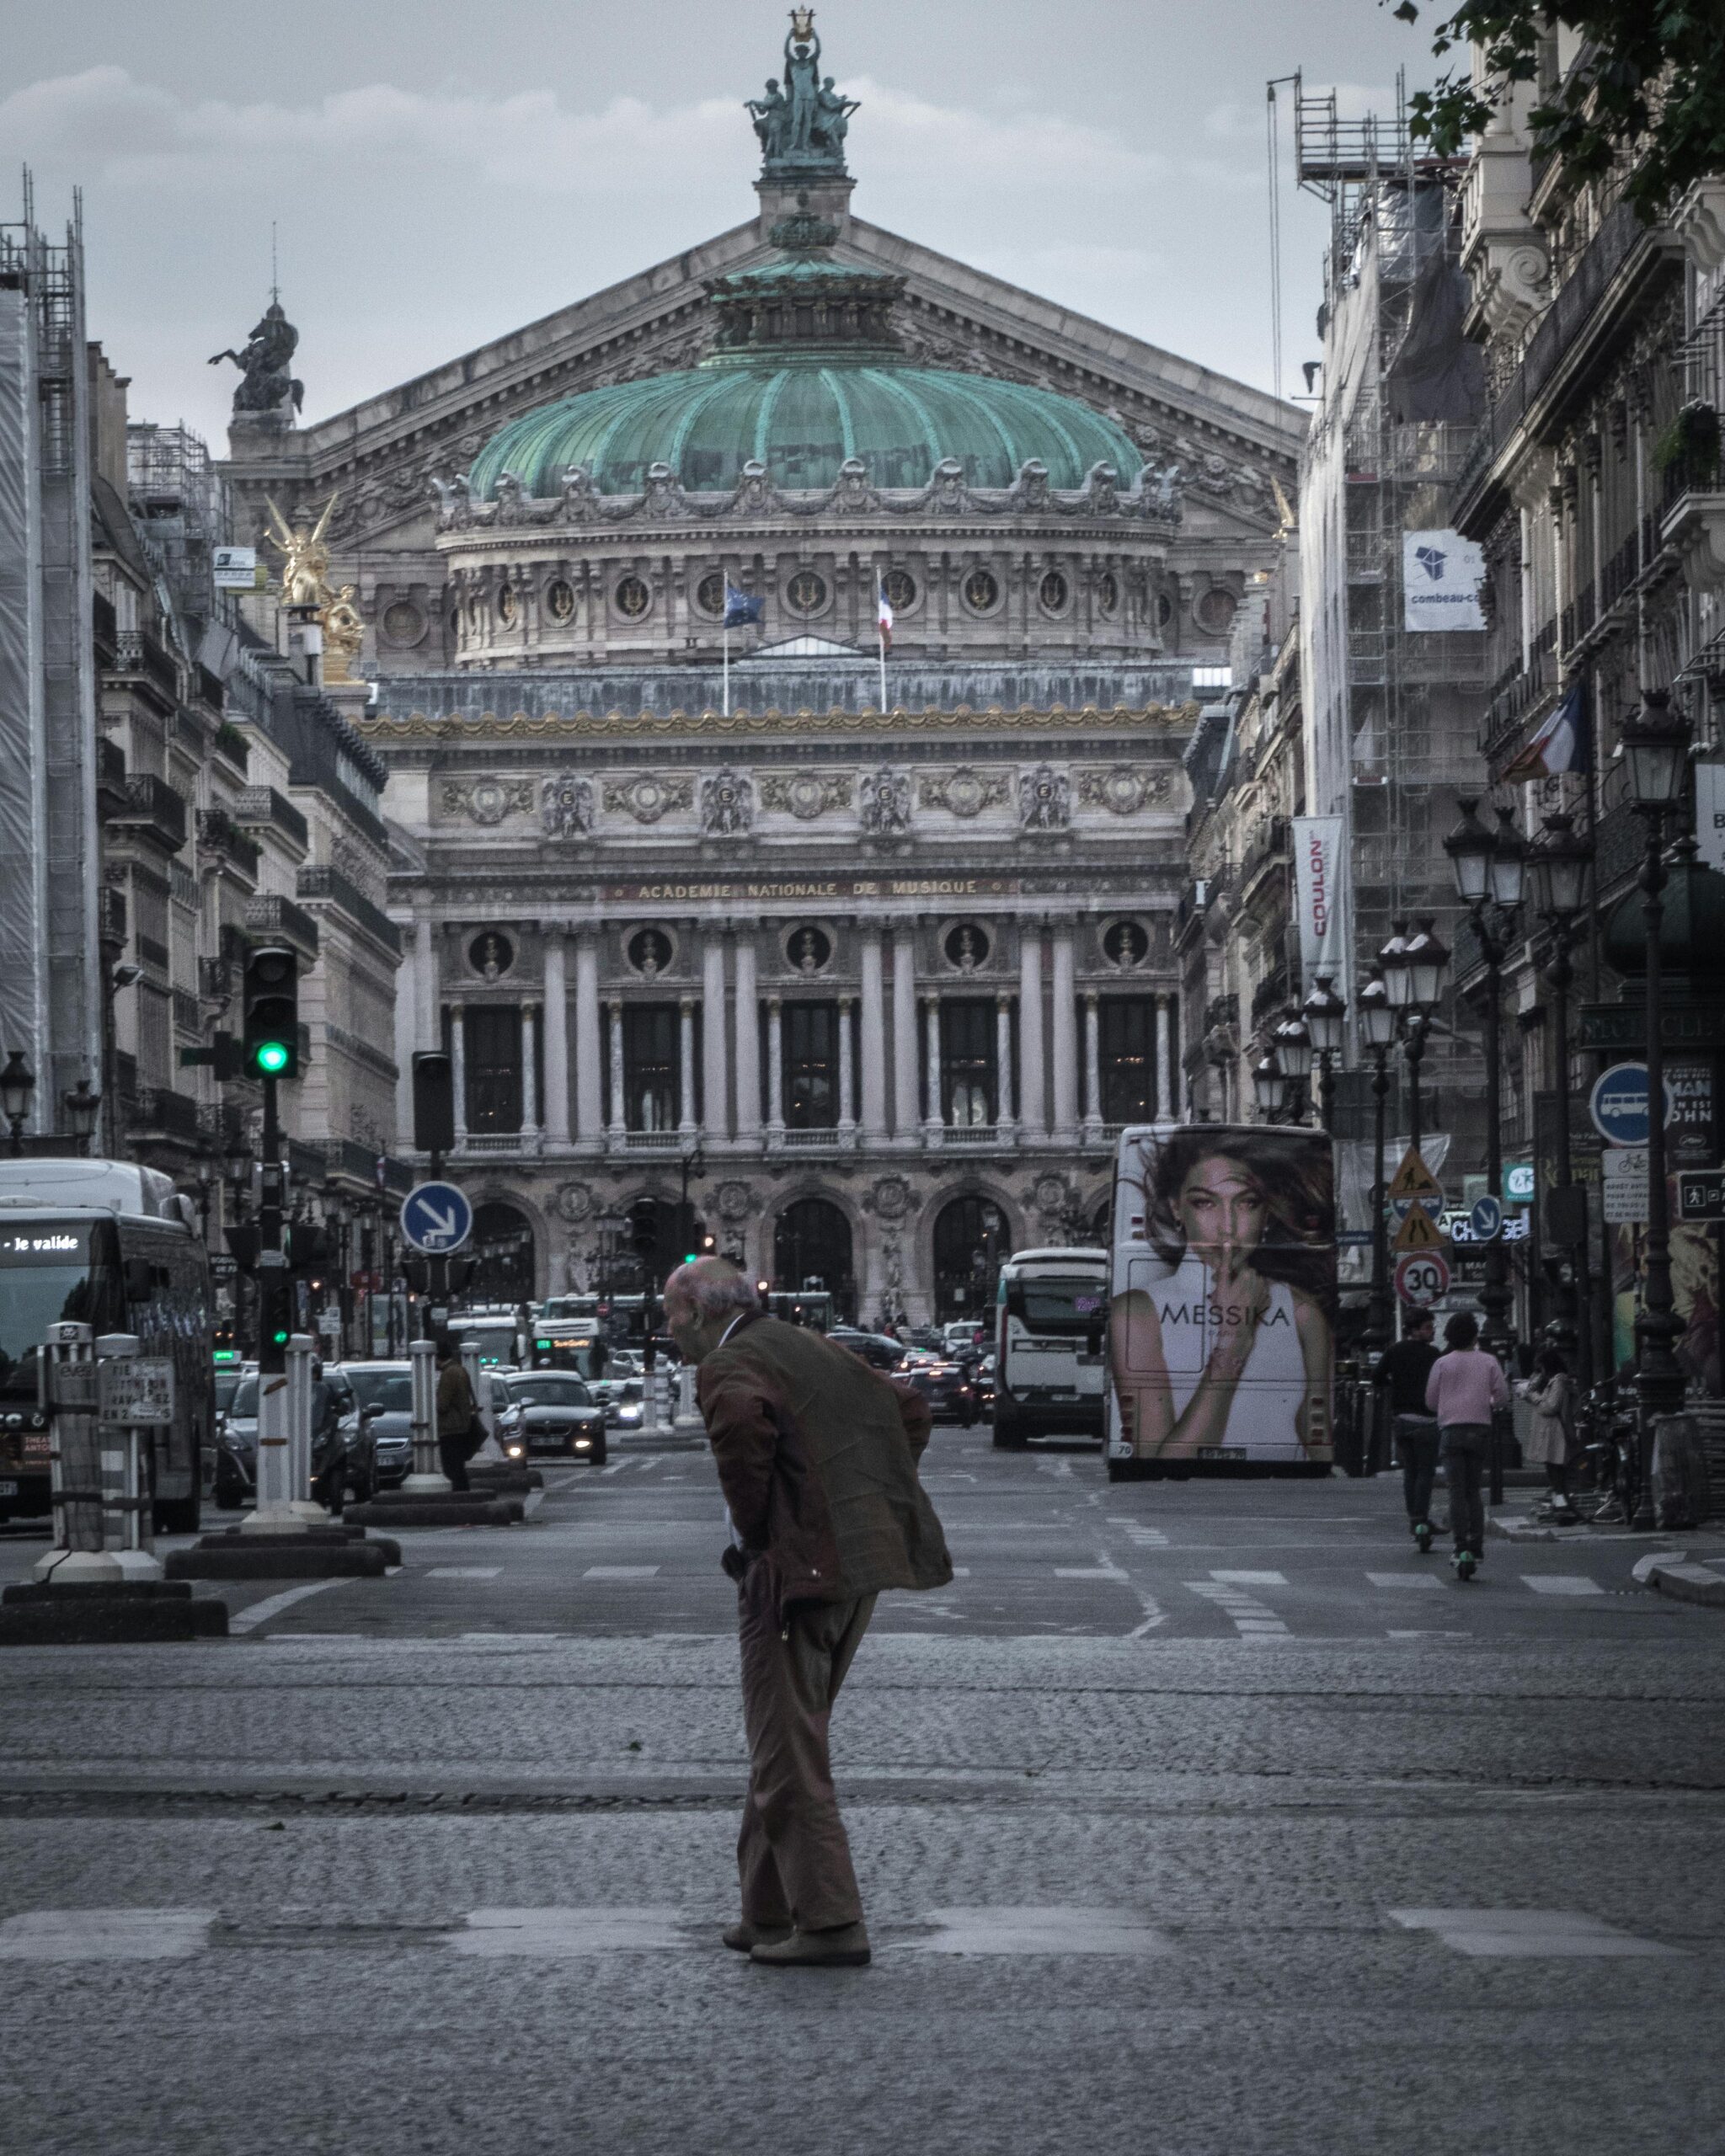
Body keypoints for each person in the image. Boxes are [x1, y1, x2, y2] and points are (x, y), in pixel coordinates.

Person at [664, 1257, 952, 1969]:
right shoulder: (803, 1343)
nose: (667, 1333)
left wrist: (767, 1533)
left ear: (699, 1314)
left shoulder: (728, 1367)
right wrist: (859, 1500)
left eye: (670, 1316)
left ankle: (828, 1922)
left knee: (788, 1750)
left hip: (794, 1578)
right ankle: (764, 1912)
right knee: (780, 1738)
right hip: (854, 1570)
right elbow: (910, 1408)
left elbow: (744, 1457)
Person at [1110, 1129, 1332, 1461]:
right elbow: (1158, 1460)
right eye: (1204, 1203)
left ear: (1266, 1213)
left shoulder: (1302, 1312)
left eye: (1246, 1203)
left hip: (1276, 1499)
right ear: (1176, 1209)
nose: (1227, 1226)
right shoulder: (1136, 1312)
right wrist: (1233, 1342)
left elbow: (1319, 1452)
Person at [1424, 1310, 1509, 1576]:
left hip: (1451, 1430)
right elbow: (1503, 1397)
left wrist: (1448, 1405)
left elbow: (1430, 1400)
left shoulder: (1442, 1364)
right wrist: (1488, 1403)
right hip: (1480, 1429)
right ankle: (1476, 1544)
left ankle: (1459, 1545)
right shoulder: (1489, 1361)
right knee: (1474, 1490)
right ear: (1475, 1335)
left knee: (1456, 1491)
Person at [1374, 1310, 1442, 1547]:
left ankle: (1414, 1520)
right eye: (1427, 1327)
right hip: (1426, 1419)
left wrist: (1394, 1385)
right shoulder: (1433, 1354)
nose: (1432, 1331)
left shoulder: (1394, 1351)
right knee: (1425, 1473)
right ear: (1414, 1329)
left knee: (1410, 1473)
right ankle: (1422, 1518)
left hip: (1402, 1419)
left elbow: (1377, 1377)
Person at [1520, 1347, 1577, 1522]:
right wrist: (1535, 1384)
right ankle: (1558, 1504)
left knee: (1556, 1470)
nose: (1540, 1372)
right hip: (1548, 1431)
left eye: (1541, 1368)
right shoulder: (1552, 1381)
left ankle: (1562, 1505)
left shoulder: (1558, 1382)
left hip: (1554, 1431)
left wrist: (1535, 1397)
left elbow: (1551, 1407)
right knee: (1552, 1470)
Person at [435, 1335, 478, 1492]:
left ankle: (460, 1494)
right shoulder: (460, 1369)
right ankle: (464, 1493)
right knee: (458, 1465)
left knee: (452, 1466)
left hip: (450, 1427)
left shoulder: (449, 1373)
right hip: (462, 1424)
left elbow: (442, 1404)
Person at [308, 1358, 346, 1516]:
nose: (312, 1377)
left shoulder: (326, 1389)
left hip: (320, 1431)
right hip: (304, 1432)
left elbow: (339, 1403)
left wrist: (340, 1406)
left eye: (314, 1374)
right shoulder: (293, 1389)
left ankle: (335, 1490)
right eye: (310, 1374)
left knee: (339, 1448)